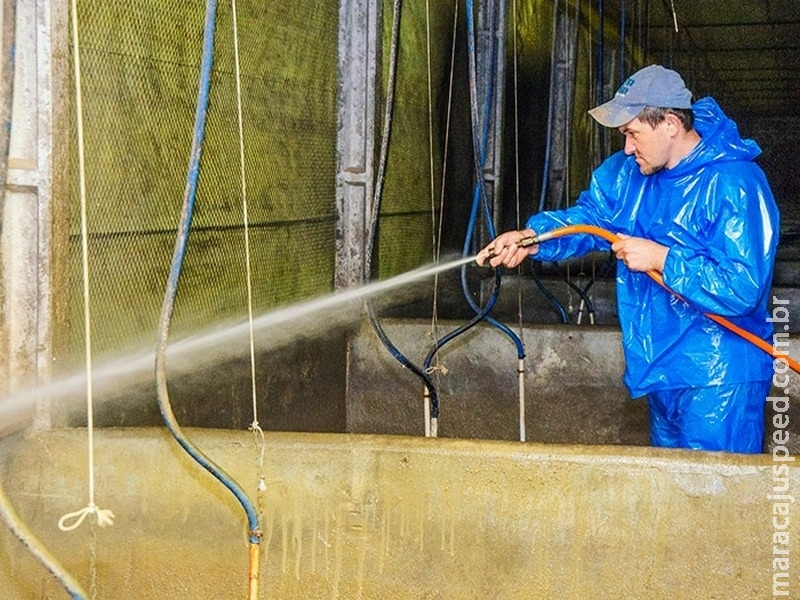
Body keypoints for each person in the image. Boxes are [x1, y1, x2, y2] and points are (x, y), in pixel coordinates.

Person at [477, 64, 780, 454]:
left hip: (718, 374)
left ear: (671, 123)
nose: (627, 147)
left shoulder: (735, 183)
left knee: (715, 497)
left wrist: (660, 257)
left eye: (633, 133)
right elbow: (589, 218)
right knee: (670, 487)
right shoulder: (629, 173)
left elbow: (743, 287)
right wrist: (533, 238)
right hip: (661, 362)